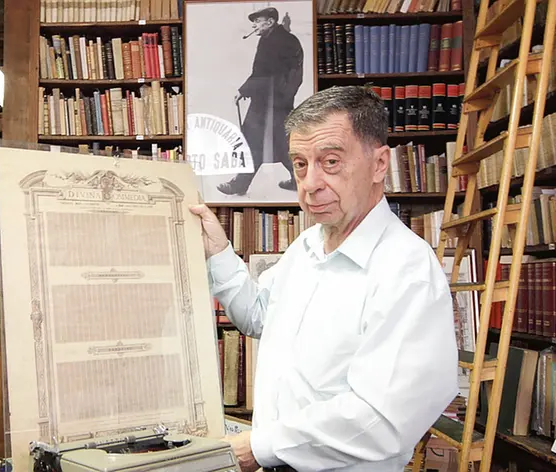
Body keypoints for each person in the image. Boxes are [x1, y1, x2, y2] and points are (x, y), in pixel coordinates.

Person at [191, 86, 459, 471]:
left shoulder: (407, 270)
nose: (309, 183)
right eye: (300, 164)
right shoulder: (307, 246)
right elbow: (260, 315)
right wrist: (218, 251)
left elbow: (380, 420)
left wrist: (258, 447)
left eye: (330, 162)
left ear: (380, 164)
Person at [218, 6, 303, 196]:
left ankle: (240, 184)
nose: (255, 25)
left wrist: (244, 90)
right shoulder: (281, 39)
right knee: (281, 143)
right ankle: (299, 180)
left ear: (270, 22)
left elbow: (264, 74)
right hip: (276, 101)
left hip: (270, 101)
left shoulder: (273, 41)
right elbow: (284, 75)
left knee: (256, 142)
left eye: (257, 21)